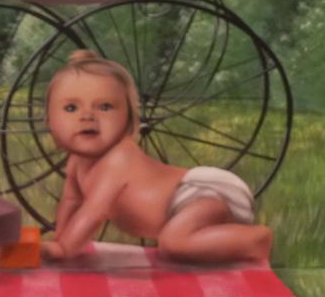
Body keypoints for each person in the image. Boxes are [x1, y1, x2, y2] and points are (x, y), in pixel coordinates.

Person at [41, 50, 272, 265]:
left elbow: (94, 211)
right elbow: (71, 202)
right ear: (49, 120)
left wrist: (64, 248)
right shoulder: (76, 161)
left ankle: (255, 239)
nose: (87, 116)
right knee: (175, 241)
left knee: (174, 244)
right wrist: (59, 238)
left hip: (194, 196)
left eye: (105, 107)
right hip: (182, 209)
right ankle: (222, 239)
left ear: (129, 118)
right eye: (71, 108)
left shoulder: (119, 158)